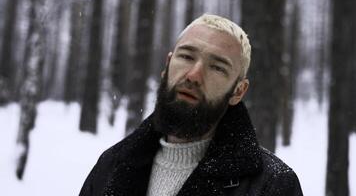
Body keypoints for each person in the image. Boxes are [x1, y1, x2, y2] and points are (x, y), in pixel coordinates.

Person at [79, 14, 303, 196]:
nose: (194, 75)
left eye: (217, 67)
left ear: (238, 91)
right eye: (186, 57)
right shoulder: (112, 165)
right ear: (167, 65)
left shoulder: (272, 186)